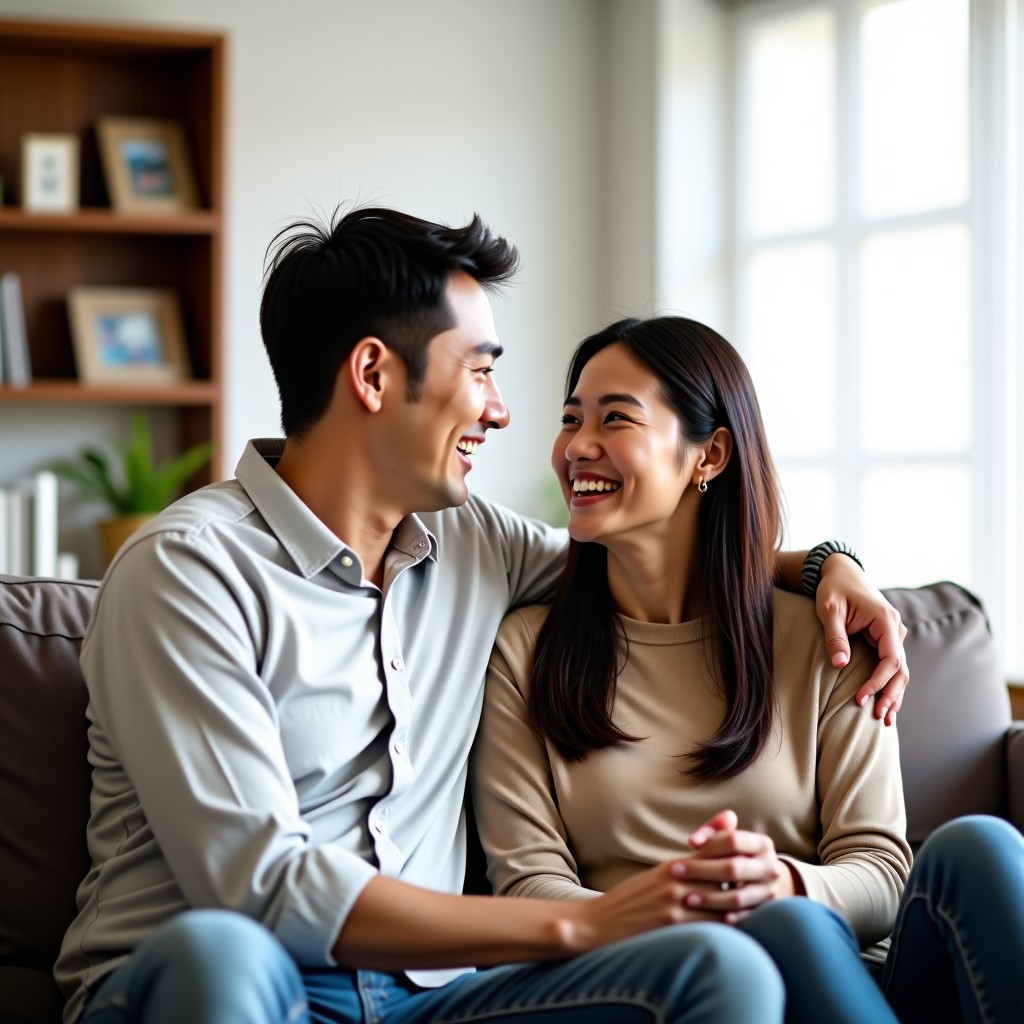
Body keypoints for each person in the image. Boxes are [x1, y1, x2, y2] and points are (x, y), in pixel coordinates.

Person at [56, 208, 908, 1024]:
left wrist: (829, 566)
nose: (501, 410)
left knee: (715, 968)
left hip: (424, 1002)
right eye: (480, 371)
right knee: (224, 955)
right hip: (228, 985)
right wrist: (584, 921)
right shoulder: (188, 572)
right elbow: (264, 889)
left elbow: (657, 548)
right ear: (374, 375)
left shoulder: (476, 546)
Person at [470, 314, 1024, 1024]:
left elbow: (882, 869)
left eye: (616, 418)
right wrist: (690, 909)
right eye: (571, 418)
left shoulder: (828, 635)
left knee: (979, 846)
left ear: (710, 455)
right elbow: (527, 885)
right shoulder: (526, 650)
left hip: (862, 975)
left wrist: (785, 884)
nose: (578, 446)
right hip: (680, 985)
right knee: (781, 928)